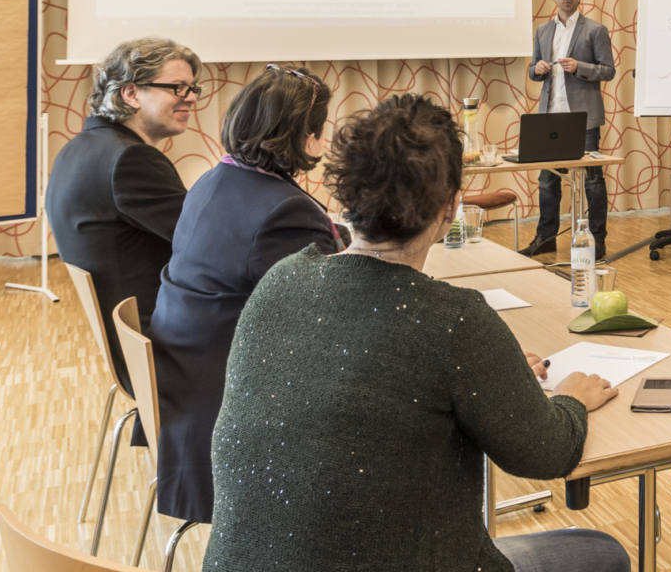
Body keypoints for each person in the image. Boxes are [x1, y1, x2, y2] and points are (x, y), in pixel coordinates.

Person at [202, 93, 630, 572]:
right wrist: (571, 397)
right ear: (451, 208)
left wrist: (497, 380)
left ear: (342, 195)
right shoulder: (454, 320)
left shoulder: (280, 280)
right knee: (601, 553)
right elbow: (547, 454)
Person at [149, 65, 344, 526]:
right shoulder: (283, 211)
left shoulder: (213, 181)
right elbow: (332, 313)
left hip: (188, 386)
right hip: (233, 415)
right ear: (306, 135)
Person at [46, 36, 200, 394]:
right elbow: (206, 243)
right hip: (162, 355)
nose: (191, 98)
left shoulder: (79, 147)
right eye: (177, 87)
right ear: (130, 94)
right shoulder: (131, 160)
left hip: (131, 349)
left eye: (192, 88)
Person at [522, 0, 616, 259]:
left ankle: (597, 240)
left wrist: (580, 67)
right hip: (550, 116)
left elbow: (608, 70)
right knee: (548, 181)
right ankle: (546, 238)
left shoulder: (594, 29)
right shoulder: (543, 31)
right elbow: (533, 69)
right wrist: (535, 70)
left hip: (583, 118)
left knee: (592, 180)